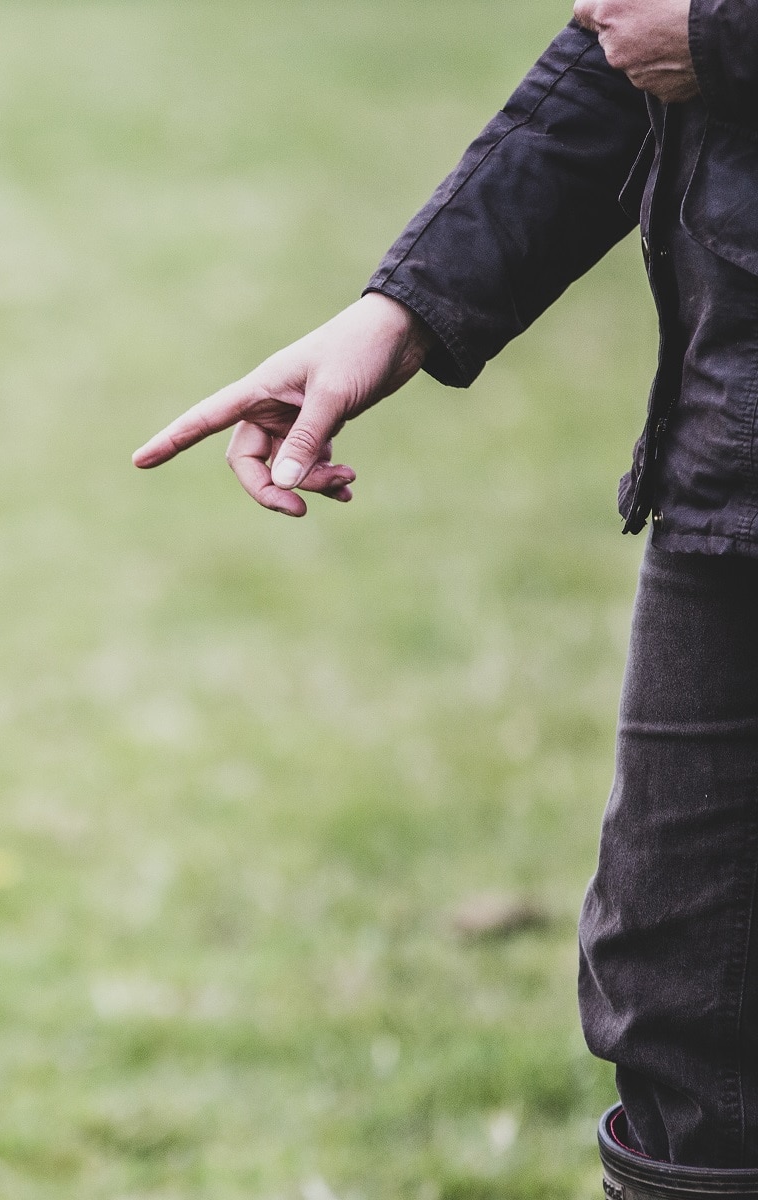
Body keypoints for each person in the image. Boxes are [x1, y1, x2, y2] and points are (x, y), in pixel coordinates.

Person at [132, 0, 758, 1192]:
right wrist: (404, 306)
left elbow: (688, 35)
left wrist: (727, 42)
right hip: (737, 454)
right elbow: (629, 40)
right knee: (687, 1004)